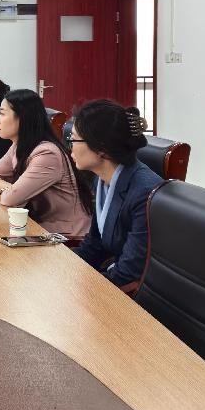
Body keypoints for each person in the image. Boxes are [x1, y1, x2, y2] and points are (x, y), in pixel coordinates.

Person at [72, 100, 162, 287]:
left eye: (73, 139)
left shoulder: (143, 194)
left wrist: (82, 288)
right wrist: (63, 267)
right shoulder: (102, 179)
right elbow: (95, 244)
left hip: (131, 292)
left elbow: (129, 272)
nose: (70, 146)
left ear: (101, 149)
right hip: (113, 276)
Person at [0, 89, 92, 235]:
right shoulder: (18, 146)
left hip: (68, 237)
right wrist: (12, 188)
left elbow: (10, 199)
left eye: (2, 114)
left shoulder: (47, 154)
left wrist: (13, 191)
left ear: (22, 117)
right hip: (40, 229)